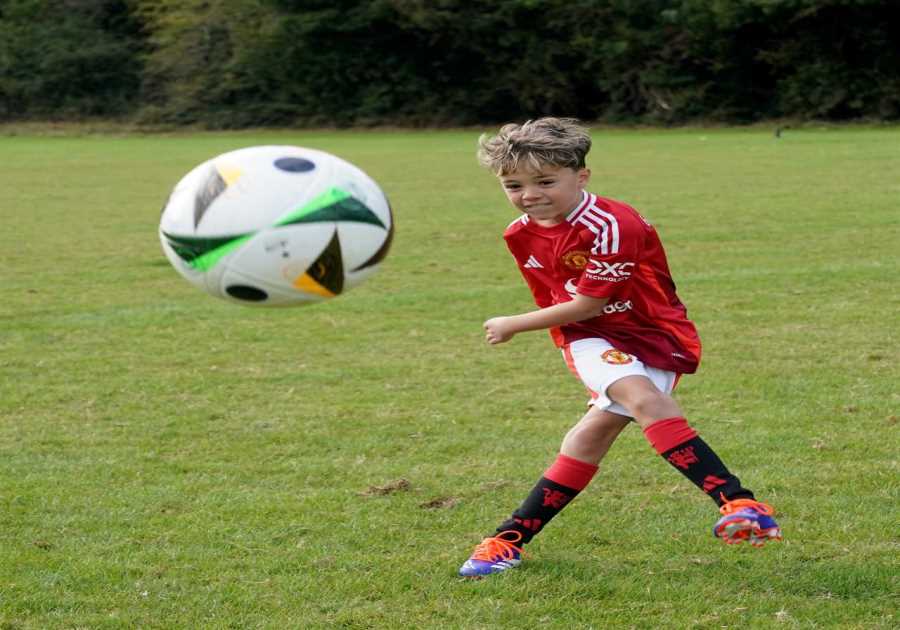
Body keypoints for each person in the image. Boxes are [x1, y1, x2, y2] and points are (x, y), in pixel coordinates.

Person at [458, 117, 781, 578]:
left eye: (545, 181)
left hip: (653, 334)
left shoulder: (611, 223)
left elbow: (589, 301)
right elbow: (568, 306)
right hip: (590, 336)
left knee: (591, 436)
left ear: (581, 176)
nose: (529, 195)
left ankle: (508, 540)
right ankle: (739, 502)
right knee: (644, 399)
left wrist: (513, 324)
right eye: (514, 185)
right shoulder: (519, 233)